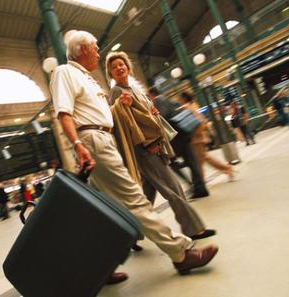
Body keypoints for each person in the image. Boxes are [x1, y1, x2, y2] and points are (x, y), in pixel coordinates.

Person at [50, 30, 218, 284]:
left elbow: (102, 114)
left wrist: (119, 107)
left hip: (102, 139)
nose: (98, 52)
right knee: (135, 199)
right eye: (95, 47)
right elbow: (64, 114)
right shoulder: (65, 72)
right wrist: (77, 144)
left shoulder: (89, 79)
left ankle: (100, 267)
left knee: (103, 211)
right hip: (92, 141)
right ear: (82, 49)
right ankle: (180, 253)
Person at [105, 51, 216, 241]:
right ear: (110, 73)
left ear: (128, 67)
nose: (119, 68)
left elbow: (143, 114)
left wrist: (151, 111)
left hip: (149, 147)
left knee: (146, 198)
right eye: (114, 67)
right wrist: (149, 143)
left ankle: (131, 234)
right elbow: (126, 123)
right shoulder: (116, 92)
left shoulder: (132, 89)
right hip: (145, 148)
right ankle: (193, 229)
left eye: (121, 64)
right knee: (173, 188)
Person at [148, 87, 210, 198]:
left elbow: (162, 119)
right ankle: (201, 188)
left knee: (172, 163)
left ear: (152, 95)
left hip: (175, 139)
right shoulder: (168, 100)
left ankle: (192, 185)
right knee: (192, 162)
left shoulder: (158, 102)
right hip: (184, 133)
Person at [179, 92, 235, 181]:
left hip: (196, 137)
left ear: (184, 98)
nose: (179, 100)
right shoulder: (193, 105)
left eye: (180, 98)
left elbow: (198, 121)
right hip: (199, 136)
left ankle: (201, 181)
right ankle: (225, 169)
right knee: (203, 158)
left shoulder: (186, 107)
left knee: (199, 161)